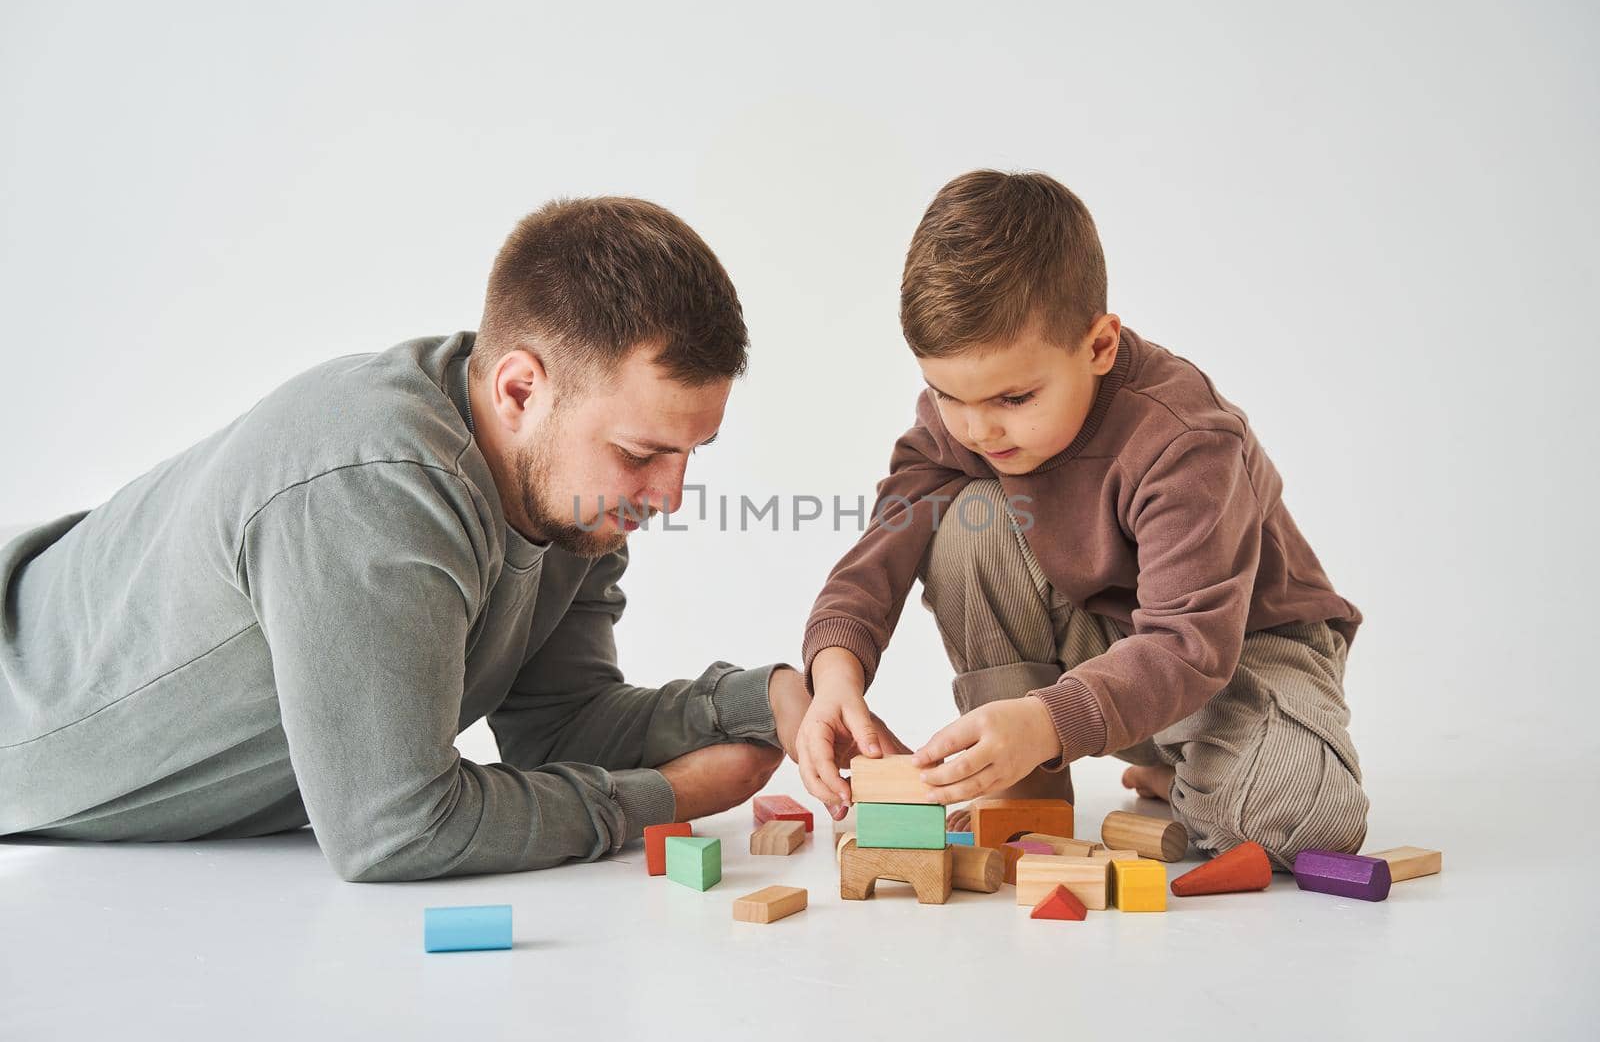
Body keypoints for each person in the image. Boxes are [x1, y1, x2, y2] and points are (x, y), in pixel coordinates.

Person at [0, 196, 864, 881]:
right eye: (642, 453)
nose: (670, 495)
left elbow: (560, 727)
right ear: (521, 389)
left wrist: (764, 698)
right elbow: (394, 824)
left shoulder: (570, 501)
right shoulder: (376, 486)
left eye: (688, 454)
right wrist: (663, 798)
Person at [796, 170, 1367, 868]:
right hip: (1101, 664)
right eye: (945, 394)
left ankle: (1192, 777)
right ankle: (1031, 779)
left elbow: (1189, 643)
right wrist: (834, 674)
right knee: (967, 517)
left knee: (1303, 820)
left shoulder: (1182, 436)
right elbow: (880, 551)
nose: (977, 428)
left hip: (1235, 648)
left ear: (1098, 345)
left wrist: (1043, 718)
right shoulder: (969, 423)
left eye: (1014, 396)